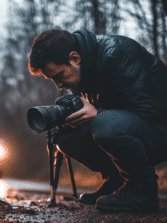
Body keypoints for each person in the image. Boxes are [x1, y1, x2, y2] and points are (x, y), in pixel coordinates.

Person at [28, 28, 167, 213]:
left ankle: (142, 189)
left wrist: (97, 113)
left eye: (59, 76)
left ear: (75, 58)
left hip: (160, 128)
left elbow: (149, 113)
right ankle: (116, 180)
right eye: (53, 80)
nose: (59, 85)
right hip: (138, 128)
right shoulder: (83, 72)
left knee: (105, 124)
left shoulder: (119, 53)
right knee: (65, 137)